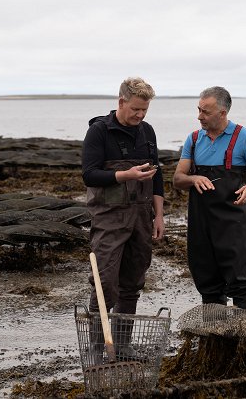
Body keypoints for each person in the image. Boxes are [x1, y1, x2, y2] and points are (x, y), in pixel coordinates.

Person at [81, 76, 164, 359]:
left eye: (145, 110)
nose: (140, 115)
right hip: (108, 217)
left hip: (142, 216)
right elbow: (89, 174)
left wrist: (159, 216)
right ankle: (95, 348)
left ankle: (124, 345)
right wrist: (124, 175)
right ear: (121, 102)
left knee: (133, 280)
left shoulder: (148, 132)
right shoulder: (99, 132)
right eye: (136, 109)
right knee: (104, 281)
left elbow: (158, 176)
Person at [173, 86, 246, 310]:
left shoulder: (244, 137)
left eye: (205, 112)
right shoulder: (194, 139)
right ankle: (213, 335)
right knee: (206, 277)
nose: (199, 116)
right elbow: (178, 179)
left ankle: (242, 336)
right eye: (198, 110)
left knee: (239, 278)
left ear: (223, 113)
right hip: (200, 220)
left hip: (232, 220)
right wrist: (193, 179)